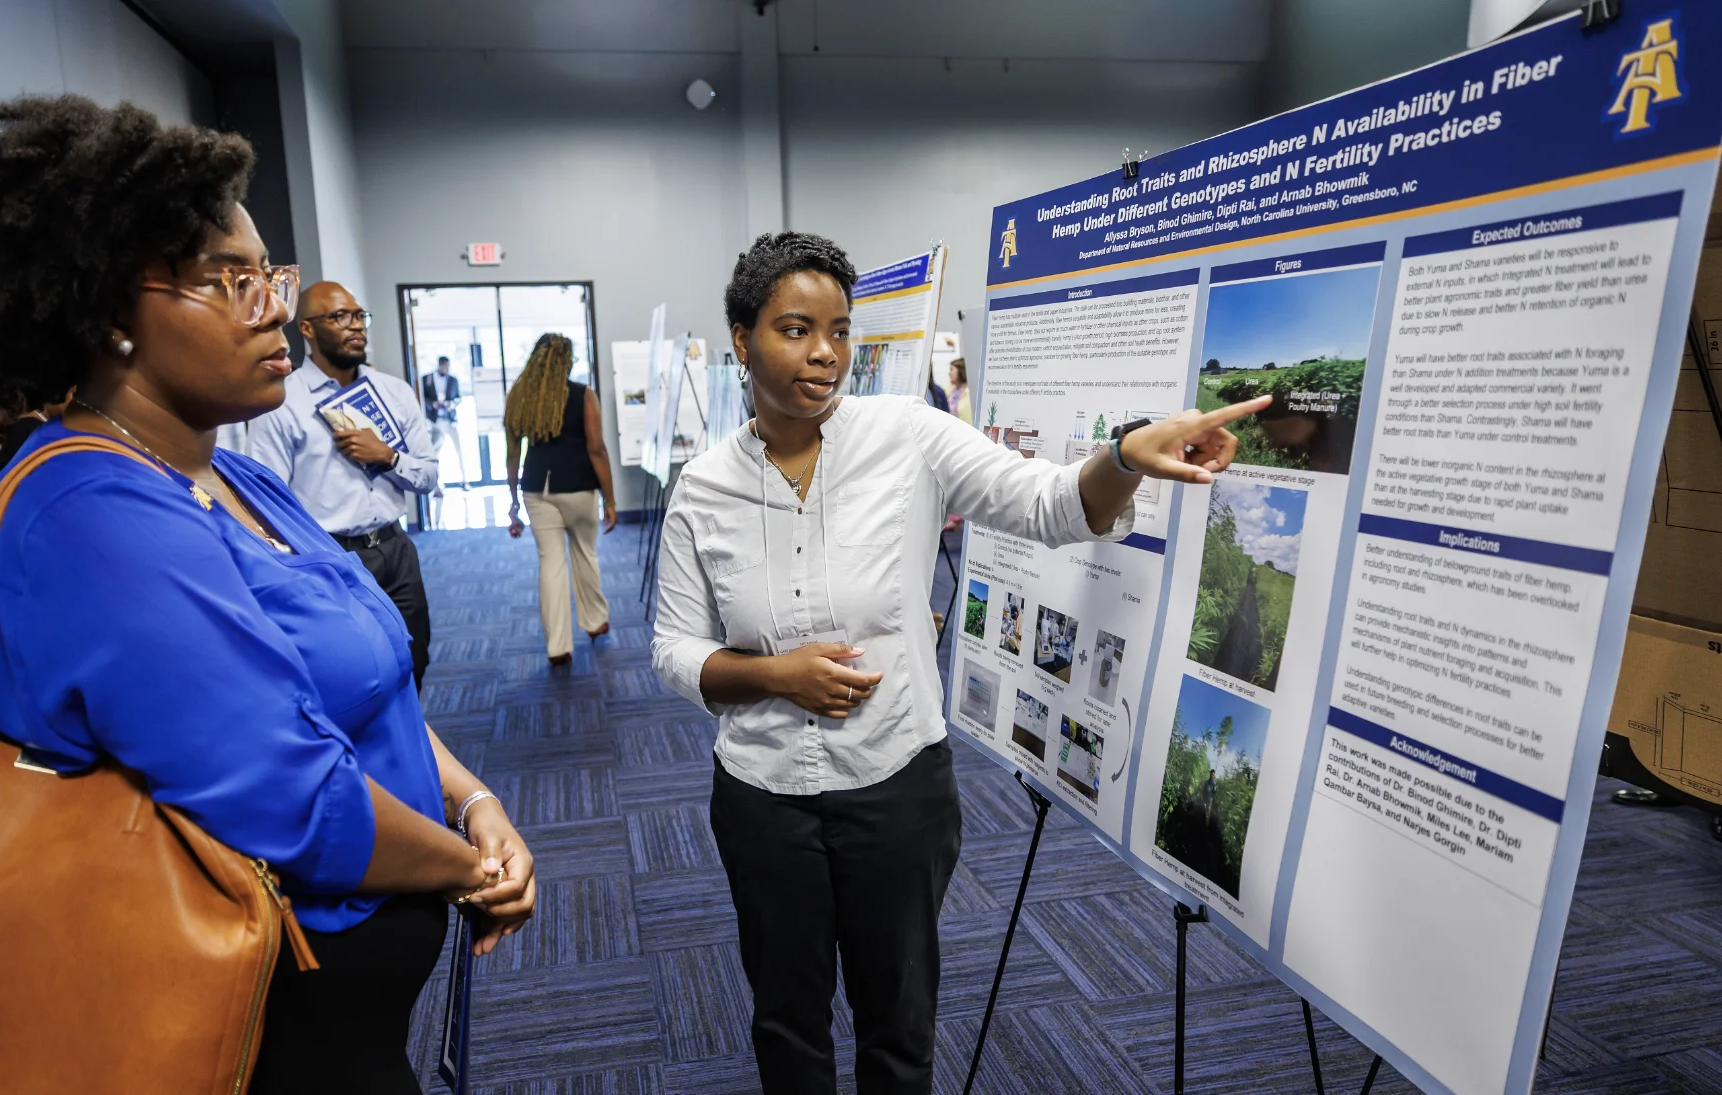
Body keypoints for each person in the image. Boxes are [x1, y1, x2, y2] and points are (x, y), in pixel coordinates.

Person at [0, 95, 535, 1094]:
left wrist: (475, 804)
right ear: (109, 311)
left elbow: (372, 683)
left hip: (351, 1006)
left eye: (269, 274)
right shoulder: (90, 513)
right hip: (253, 1025)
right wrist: (476, 873)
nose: (273, 304)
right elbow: (294, 802)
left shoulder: (225, 473)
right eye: (227, 278)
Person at [651, 230, 1266, 1095]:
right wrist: (774, 675)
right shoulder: (704, 485)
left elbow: (1049, 502)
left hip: (895, 785)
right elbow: (674, 647)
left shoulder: (909, 438)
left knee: (898, 1022)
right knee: (786, 1021)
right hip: (763, 797)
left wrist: (1124, 456)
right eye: (796, 329)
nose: (825, 353)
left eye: (839, 329)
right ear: (742, 336)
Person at [249, 282, 439, 686]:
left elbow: (427, 476)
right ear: (306, 329)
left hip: (396, 548)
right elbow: (265, 505)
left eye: (359, 316)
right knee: (357, 676)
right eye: (339, 317)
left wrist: (386, 456)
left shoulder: (395, 393)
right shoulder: (283, 401)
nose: (356, 326)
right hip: (331, 558)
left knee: (413, 661)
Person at [503, 334, 617, 665]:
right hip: (578, 488)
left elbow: (513, 454)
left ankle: (557, 646)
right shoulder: (583, 395)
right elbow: (596, 448)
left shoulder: (519, 397)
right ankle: (595, 622)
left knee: (550, 564)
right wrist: (610, 499)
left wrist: (512, 501)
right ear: (567, 361)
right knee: (585, 553)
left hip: (537, 489)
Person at [422, 355, 465, 492]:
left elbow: (458, 397)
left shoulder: (453, 380)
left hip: (450, 419)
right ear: (440, 365)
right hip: (435, 421)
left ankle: (464, 480)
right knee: (436, 453)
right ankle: (437, 486)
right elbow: (423, 397)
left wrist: (451, 404)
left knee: (460, 450)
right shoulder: (427, 379)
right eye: (445, 366)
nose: (447, 369)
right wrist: (433, 405)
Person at [947, 357, 972, 424]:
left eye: (951, 369)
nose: (949, 373)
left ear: (960, 371)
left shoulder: (970, 392)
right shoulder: (949, 390)